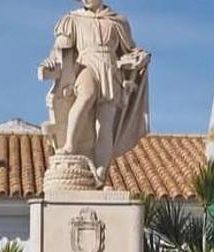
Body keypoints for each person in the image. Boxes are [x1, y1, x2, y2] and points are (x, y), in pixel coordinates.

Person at [39, 0, 150, 186]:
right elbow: (59, 50)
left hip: (110, 70)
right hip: (85, 64)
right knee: (86, 95)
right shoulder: (72, 19)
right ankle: (70, 145)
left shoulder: (117, 22)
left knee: (105, 124)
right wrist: (49, 62)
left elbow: (130, 50)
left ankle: (100, 171)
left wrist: (139, 57)